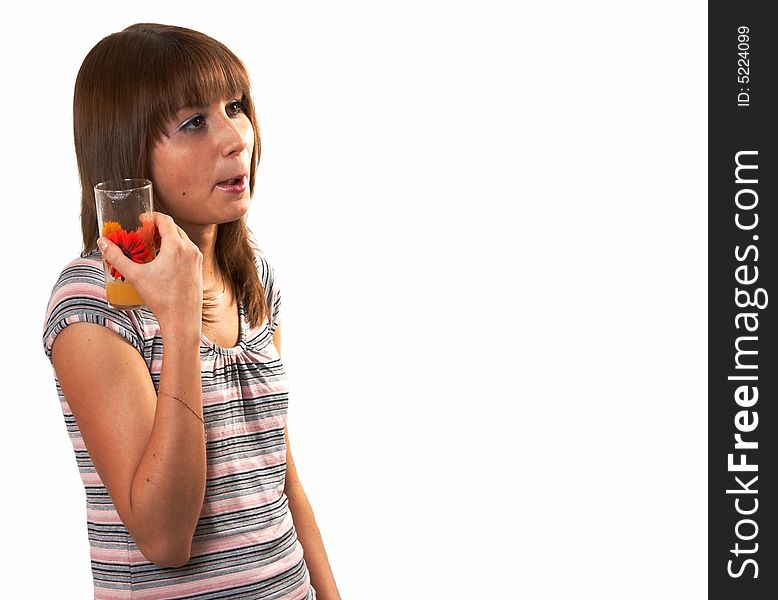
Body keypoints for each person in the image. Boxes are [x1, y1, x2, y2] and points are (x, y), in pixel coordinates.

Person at [42, 23, 340, 600]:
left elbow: (282, 479)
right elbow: (163, 537)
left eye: (235, 107)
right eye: (193, 121)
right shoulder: (92, 306)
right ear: (128, 153)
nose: (236, 137)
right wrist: (179, 320)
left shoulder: (251, 276)